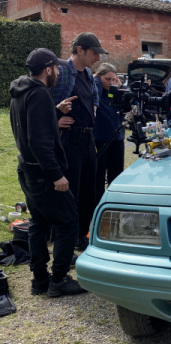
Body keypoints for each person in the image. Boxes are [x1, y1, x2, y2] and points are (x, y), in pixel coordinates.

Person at [9, 48, 86, 297]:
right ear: (48, 69)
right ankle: (59, 280)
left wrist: (55, 111)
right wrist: (56, 175)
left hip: (27, 169)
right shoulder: (40, 93)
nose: (58, 73)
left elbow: (31, 125)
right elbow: (39, 142)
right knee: (68, 222)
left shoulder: (20, 91)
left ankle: (40, 280)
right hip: (43, 173)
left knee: (38, 223)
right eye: (56, 69)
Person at [50, 32, 108, 251]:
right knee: (70, 192)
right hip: (69, 139)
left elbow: (94, 97)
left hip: (87, 138)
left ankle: (82, 235)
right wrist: (55, 119)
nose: (98, 58)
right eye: (94, 53)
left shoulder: (88, 74)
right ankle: (67, 239)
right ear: (80, 50)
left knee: (89, 191)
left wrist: (93, 110)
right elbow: (40, 100)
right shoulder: (62, 71)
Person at [93, 63, 125, 205]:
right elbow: (95, 89)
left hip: (117, 139)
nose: (111, 83)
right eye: (107, 79)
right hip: (100, 140)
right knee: (98, 178)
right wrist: (96, 79)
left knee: (116, 176)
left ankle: (114, 204)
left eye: (113, 79)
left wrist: (120, 87)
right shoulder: (97, 90)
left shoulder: (114, 92)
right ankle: (98, 205)